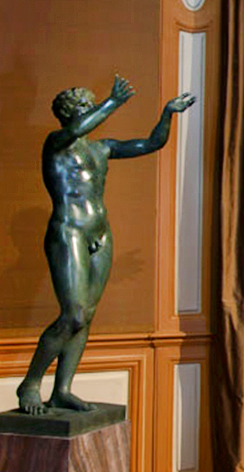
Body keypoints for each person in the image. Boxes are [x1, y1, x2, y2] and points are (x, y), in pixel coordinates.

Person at [17, 76, 196, 414]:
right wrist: (113, 102)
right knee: (73, 314)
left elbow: (150, 144)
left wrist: (167, 114)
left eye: (91, 104)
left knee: (87, 316)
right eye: (84, 107)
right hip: (68, 231)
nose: (91, 112)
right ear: (68, 114)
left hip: (100, 234)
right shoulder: (56, 142)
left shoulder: (101, 149)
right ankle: (29, 384)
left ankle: (62, 390)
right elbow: (76, 130)